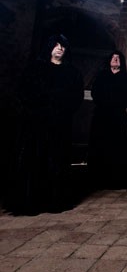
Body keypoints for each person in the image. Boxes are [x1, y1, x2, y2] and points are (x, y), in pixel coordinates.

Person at [4, 34, 84, 215]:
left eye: (63, 46)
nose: (59, 48)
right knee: (34, 159)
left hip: (59, 124)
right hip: (36, 124)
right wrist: (38, 109)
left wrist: (62, 110)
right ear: (49, 47)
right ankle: (31, 200)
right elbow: (24, 92)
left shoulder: (72, 73)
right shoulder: (35, 69)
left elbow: (76, 97)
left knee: (55, 161)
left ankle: (53, 200)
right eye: (56, 45)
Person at [88, 51, 127, 190]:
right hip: (102, 115)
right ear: (109, 60)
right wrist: (106, 102)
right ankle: (98, 180)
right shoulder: (101, 75)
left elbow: (124, 96)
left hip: (118, 116)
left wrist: (112, 101)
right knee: (100, 146)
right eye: (113, 58)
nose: (115, 60)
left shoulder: (126, 77)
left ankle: (117, 180)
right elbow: (96, 93)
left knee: (117, 147)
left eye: (118, 58)